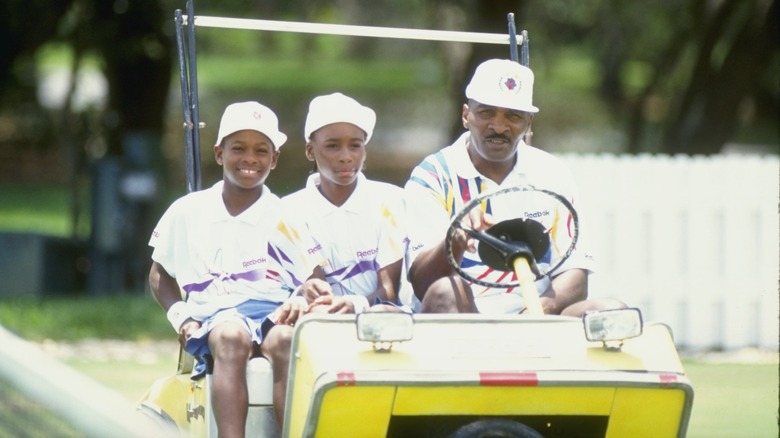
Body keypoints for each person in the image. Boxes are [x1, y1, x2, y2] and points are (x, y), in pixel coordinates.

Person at [404, 59, 625, 315]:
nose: (499, 126)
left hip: (537, 314)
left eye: (513, 116)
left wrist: (537, 310)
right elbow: (423, 284)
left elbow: (575, 273)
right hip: (464, 319)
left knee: (613, 311)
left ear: (528, 123)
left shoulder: (552, 173)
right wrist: (456, 238)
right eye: (486, 112)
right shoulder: (433, 176)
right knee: (446, 290)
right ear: (466, 115)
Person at [148, 101, 315, 435]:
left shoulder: (286, 215)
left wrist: (300, 299)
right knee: (230, 337)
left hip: (271, 310)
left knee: (286, 340)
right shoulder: (188, 210)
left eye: (261, 150)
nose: (250, 159)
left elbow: (314, 277)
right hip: (215, 315)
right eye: (238, 148)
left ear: (275, 158)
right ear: (219, 153)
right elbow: (158, 274)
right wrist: (181, 317)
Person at [282, 92, 408, 314]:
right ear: (310, 151)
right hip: (322, 317)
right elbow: (316, 287)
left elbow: (389, 288)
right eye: (332, 146)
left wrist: (356, 305)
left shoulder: (391, 201)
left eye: (355, 145)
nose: (346, 156)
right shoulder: (289, 212)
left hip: (381, 315)